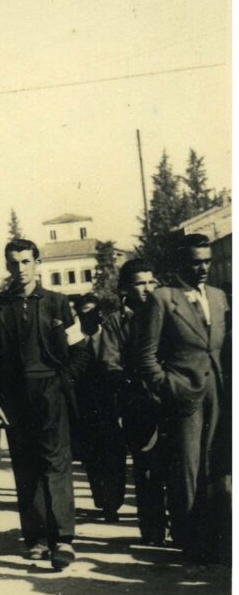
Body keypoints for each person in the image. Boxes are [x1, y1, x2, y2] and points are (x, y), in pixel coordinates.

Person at [0, 238, 89, 571]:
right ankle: (37, 537)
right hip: (14, 397)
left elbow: (80, 352)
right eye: (14, 263)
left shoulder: (58, 303)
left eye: (26, 261)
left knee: (56, 465)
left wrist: (62, 382)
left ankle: (63, 539)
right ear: (8, 266)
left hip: (50, 393)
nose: (20, 269)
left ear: (37, 263)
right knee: (25, 467)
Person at [137, 233, 230, 564]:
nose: (203, 267)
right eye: (195, 261)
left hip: (218, 393)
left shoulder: (219, 297)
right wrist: (167, 386)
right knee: (188, 471)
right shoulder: (164, 298)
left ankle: (218, 538)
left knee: (216, 467)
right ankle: (193, 543)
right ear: (180, 262)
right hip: (183, 394)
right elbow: (145, 356)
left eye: (207, 260)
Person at [100, 259, 165, 544]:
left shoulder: (167, 313)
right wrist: (129, 387)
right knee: (147, 467)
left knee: (178, 463)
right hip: (138, 402)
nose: (147, 288)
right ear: (126, 288)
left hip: (171, 397)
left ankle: (184, 526)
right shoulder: (117, 322)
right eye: (140, 283)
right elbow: (109, 362)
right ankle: (152, 529)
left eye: (152, 282)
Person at [74, 294, 127, 523]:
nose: (89, 317)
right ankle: (103, 501)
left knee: (115, 456)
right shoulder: (74, 341)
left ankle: (114, 502)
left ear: (100, 313)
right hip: (85, 408)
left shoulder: (110, 336)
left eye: (93, 311)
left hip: (111, 405)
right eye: (84, 312)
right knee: (93, 458)